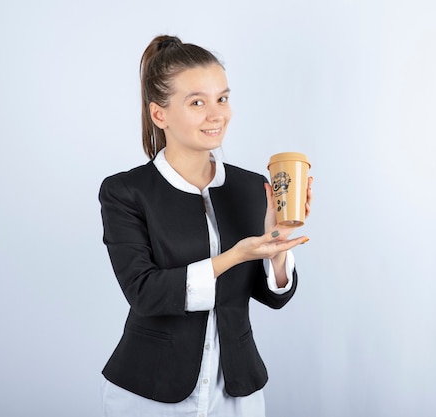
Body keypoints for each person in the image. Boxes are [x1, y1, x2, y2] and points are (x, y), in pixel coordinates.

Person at [98, 34, 313, 417]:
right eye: (197, 102)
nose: (217, 114)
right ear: (159, 114)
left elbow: (273, 296)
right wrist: (232, 257)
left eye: (222, 98)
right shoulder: (126, 192)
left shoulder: (250, 187)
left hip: (236, 391)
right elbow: (144, 293)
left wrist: (277, 248)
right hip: (150, 390)